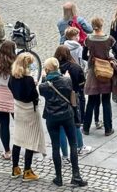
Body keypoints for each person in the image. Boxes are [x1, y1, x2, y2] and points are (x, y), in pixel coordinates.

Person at [39, 59, 88, 187]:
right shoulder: (67, 80)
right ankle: (76, 175)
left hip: (52, 117)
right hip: (67, 115)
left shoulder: (44, 85)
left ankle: (59, 177)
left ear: (47, 70)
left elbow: (41, 91)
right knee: (73, 143)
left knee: (55, 146)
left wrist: (44, 79)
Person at [8, 54, 45, 181]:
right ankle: (27, 171)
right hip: (29, 111)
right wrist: (34, 86)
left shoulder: (12, 77)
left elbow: (11, 89)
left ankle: (15, 168)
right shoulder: (28, 80)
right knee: (30, 140)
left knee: (18, 139)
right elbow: (34, 96)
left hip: (18, 110)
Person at [82, 17, 117, 136]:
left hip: (94, 72)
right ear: (102, 25)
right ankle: (108, 129)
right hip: (106, 72)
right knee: (106, 101)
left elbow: (84, 55)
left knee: (92, 101)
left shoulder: (88, 39)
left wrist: (92, 59)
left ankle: (86, 127)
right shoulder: (109, 39)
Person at [55, 45, 90, 160]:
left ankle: (64, 155)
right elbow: (82, 84)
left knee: (60, 128)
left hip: (59, 99)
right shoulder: (75, 67)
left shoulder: (55, 68)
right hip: (74, 97)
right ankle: (80, 146)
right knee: (76, 123)